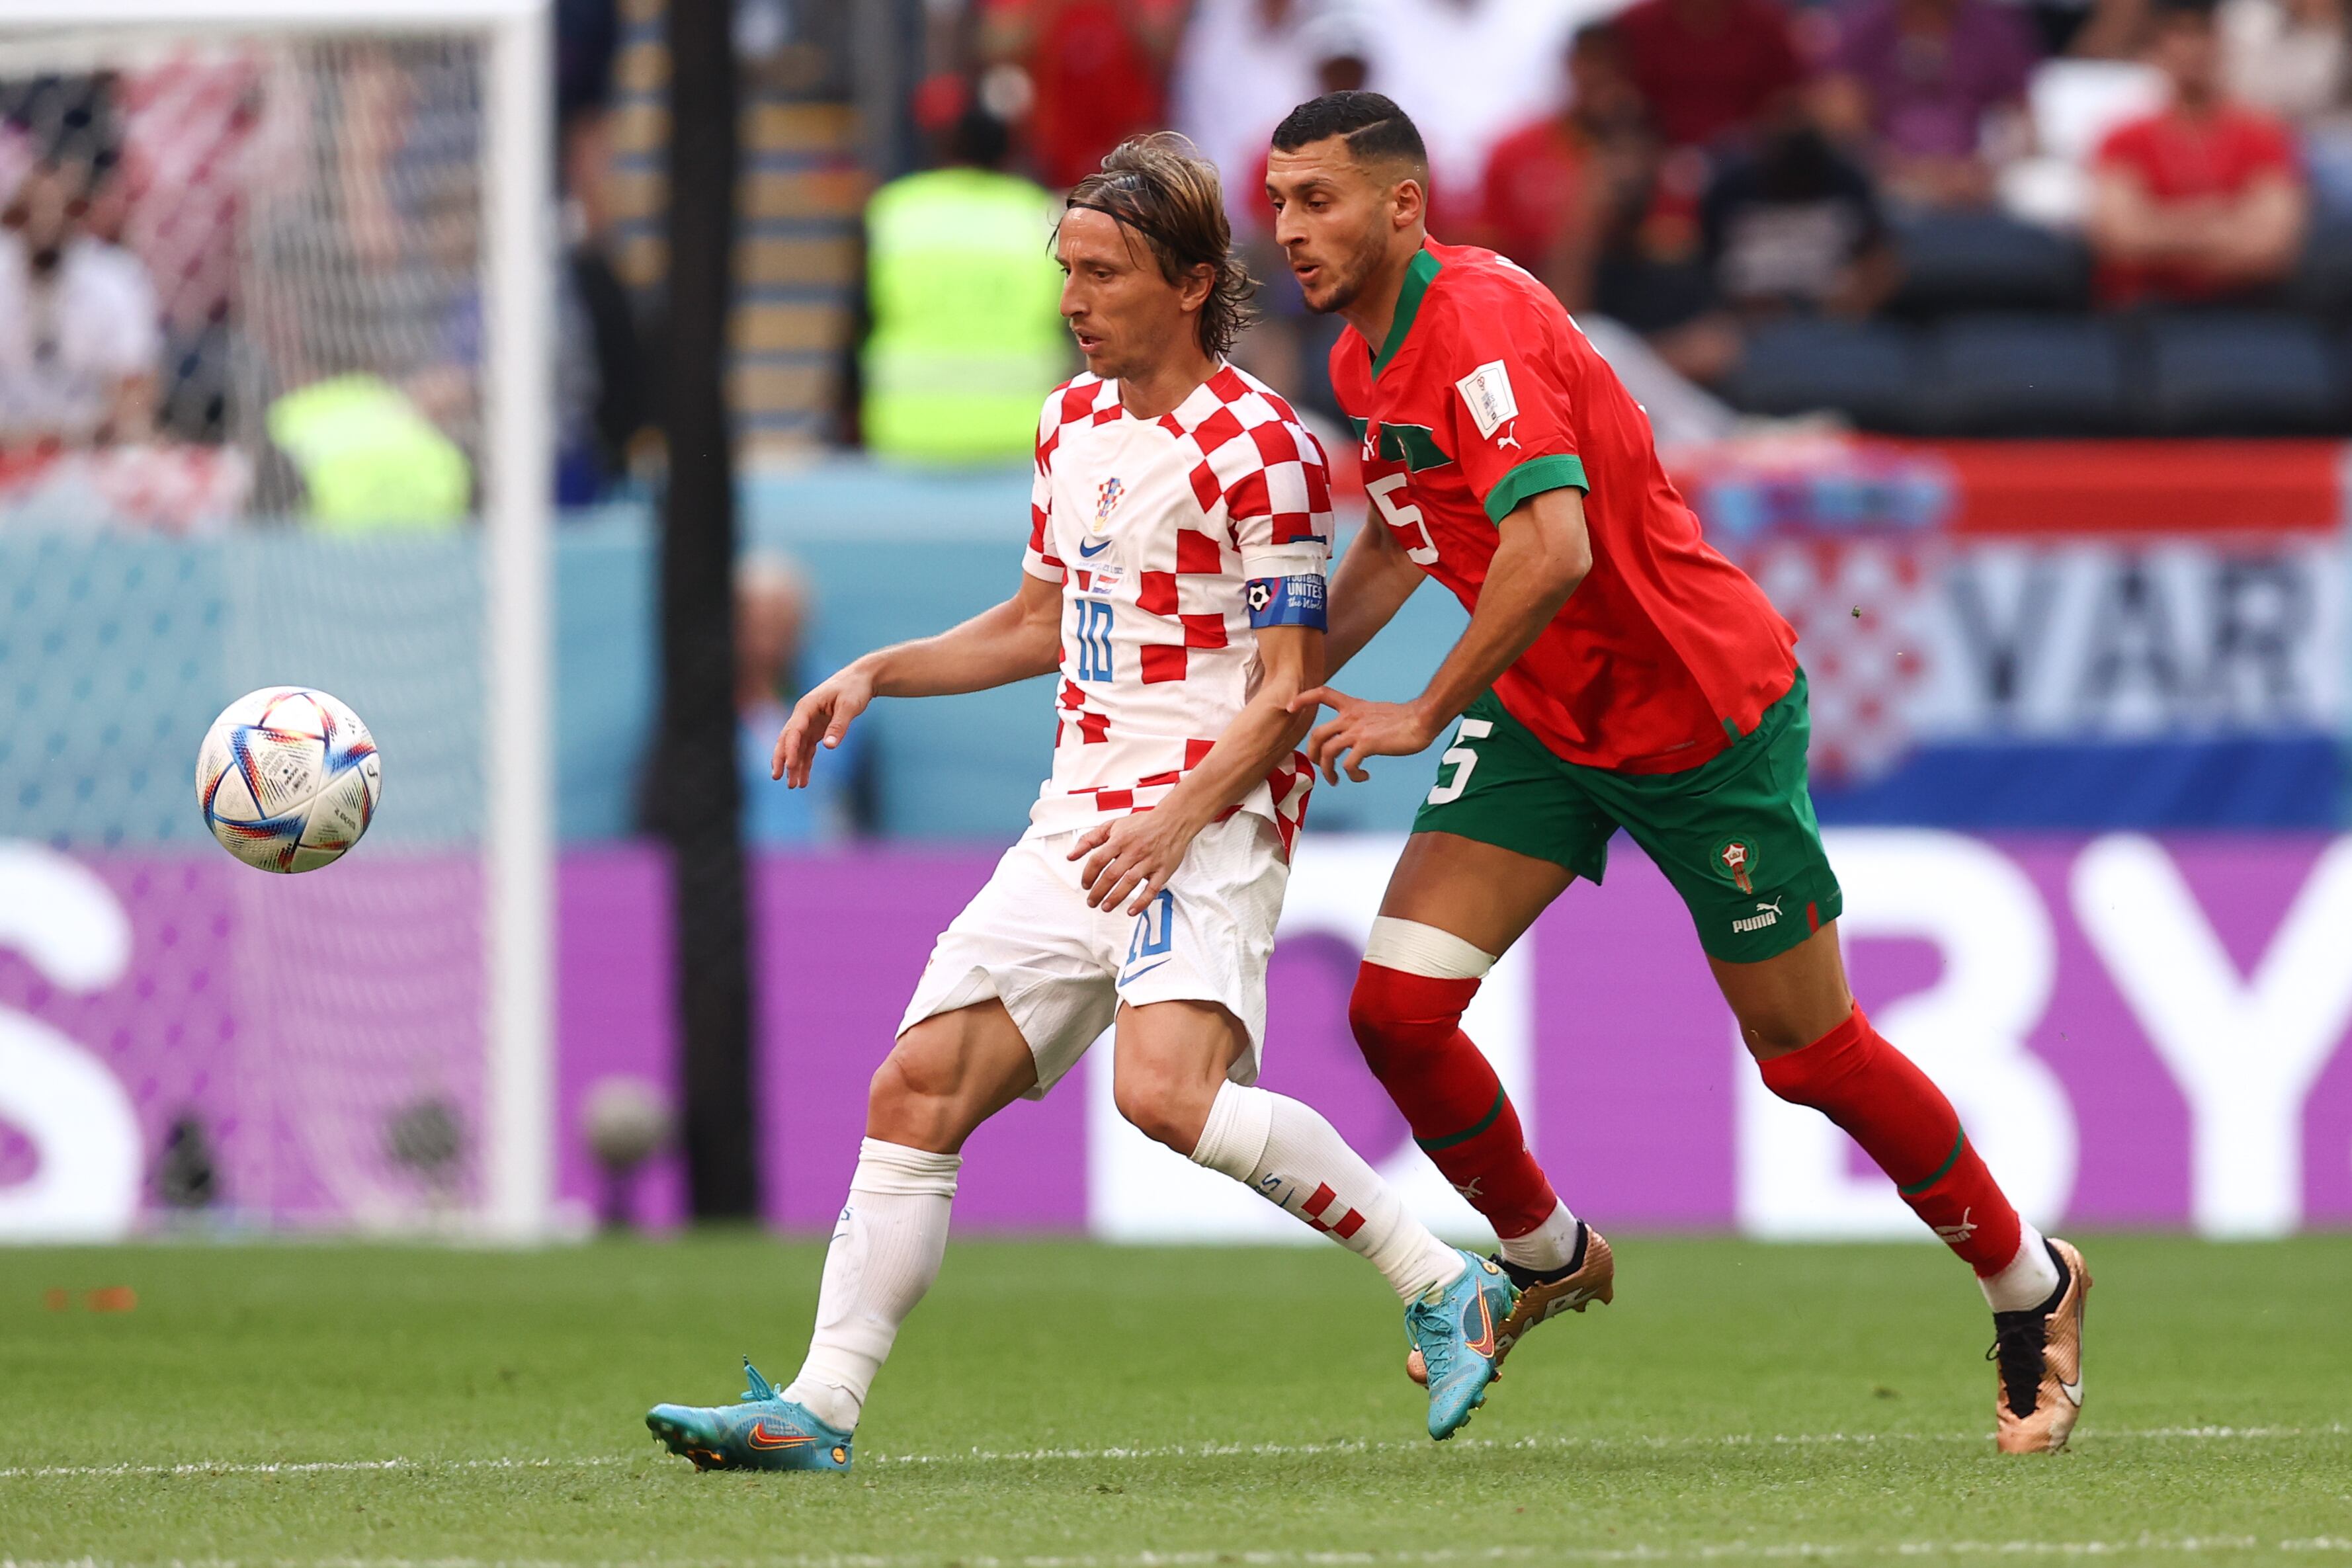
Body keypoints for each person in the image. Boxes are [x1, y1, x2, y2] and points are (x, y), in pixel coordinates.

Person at [645, 134, 1515, 1473]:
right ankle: (817, 1408)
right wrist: (878, 670)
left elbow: (1287, 684)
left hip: (1207, 819)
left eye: (1101, 273)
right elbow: (1035, 623)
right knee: (915, 1088)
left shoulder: (1263, 449)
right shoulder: (1069, 424)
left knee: (1164, 1096)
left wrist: (1177, 818)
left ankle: (1436, 1278)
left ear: (1184, 281)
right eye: (1067, 271)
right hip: (1077, 822)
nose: (1073, 299)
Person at [1263, 91, 2092, 1454]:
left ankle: (2030, 1282)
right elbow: (1411, 534)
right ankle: (1542, 1256)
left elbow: (1552, 551)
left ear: (1400, 206)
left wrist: (1414, 710)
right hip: (1545, 712)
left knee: (1808, 1057)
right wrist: (1280, 685)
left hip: (1692, 712)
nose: (1289, 229)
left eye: (1318, 200)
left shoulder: (1475, 322)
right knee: (1396, 1014)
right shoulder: (1363, 360)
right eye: (1280, 201)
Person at [859, 100, 1070, 464]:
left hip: (907, 430)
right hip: (1026, 433)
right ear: (1008, 153)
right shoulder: (1041, 214)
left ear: (940, 148)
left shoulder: (895, 211)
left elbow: (858, 318)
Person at [2087, 0, 2308, 303]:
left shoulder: (2266, 136)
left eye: (2202, 35)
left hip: (2243, 309)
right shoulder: (2123, 138)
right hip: (2146, 310)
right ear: (2156, 49)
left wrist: (2161, 228)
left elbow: (2272, 245)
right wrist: (2218, 223)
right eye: (2178, 35)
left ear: (2222, 44)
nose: (2191, 50)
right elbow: (2119, 238)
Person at [1816, 0, 2041, 209]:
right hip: (1884, 182)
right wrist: (1894, 168)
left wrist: (1987, 169)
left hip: (1976, 184)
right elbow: (1836, 116)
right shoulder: (1865, 25)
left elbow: (2023, 118)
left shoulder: (1993, 27)